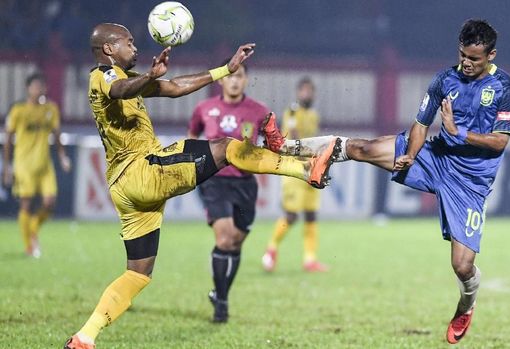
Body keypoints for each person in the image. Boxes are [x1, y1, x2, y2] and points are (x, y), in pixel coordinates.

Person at [64, 23, 341, 349]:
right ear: (109, 49)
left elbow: (176, 86)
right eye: (129, 42)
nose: (135, 48)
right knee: (227, 147)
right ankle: (306, 167)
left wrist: (225, 68)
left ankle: (85, 337)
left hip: (125, 189)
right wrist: (149, 76)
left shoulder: (130, 80)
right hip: (142, 171)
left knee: (138, 273)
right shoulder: (102, 74)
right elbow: (120, 90)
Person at [261, 19, 510, 344]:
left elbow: (500, 142)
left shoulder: (506, 89)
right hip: (435, 157)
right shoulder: (445, 79)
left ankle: (466, 307)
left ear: (491, 55)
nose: (466, 63)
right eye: (463, 55)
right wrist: (411, 154)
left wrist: (459, 132)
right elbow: (421, 124)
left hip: (470, 182)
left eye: (475, 58)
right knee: (363, 148)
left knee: (463, 266)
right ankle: (286, 146)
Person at [187, 59, 269, 323]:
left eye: (240, 76)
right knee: (224, 239)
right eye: (230, 76)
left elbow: (271, 143)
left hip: (245, 183)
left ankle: (221, 293)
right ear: (222, 79)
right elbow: (192, 136)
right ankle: (221, 303)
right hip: (215, 181)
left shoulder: (259, 111)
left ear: (246, 80)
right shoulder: (204, 109)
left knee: (236, 241)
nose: (234, 80)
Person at [262, 77, 328, 272]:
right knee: (291, 215)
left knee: (311, 214)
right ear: (298, 92)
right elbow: (293, 132)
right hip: (293, 169)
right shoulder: (292, 110)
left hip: (311, 167)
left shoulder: (314, 115)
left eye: (310, 91)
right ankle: (271, 249)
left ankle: (310, 259)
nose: (307, 94)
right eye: (304, 90)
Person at [2, 73, 72, 258]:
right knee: (25, 204)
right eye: (35, 86)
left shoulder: (51, 109)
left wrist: (63, 156)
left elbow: (56, 134)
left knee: (50, 203)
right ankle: (30, 246)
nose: (38, 89)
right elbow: (8, 139)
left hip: (44, 164)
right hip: (23, 164)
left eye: (41, 86)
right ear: (28, 88)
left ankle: (32, 228)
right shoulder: (18, 110)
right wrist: (7, 167)